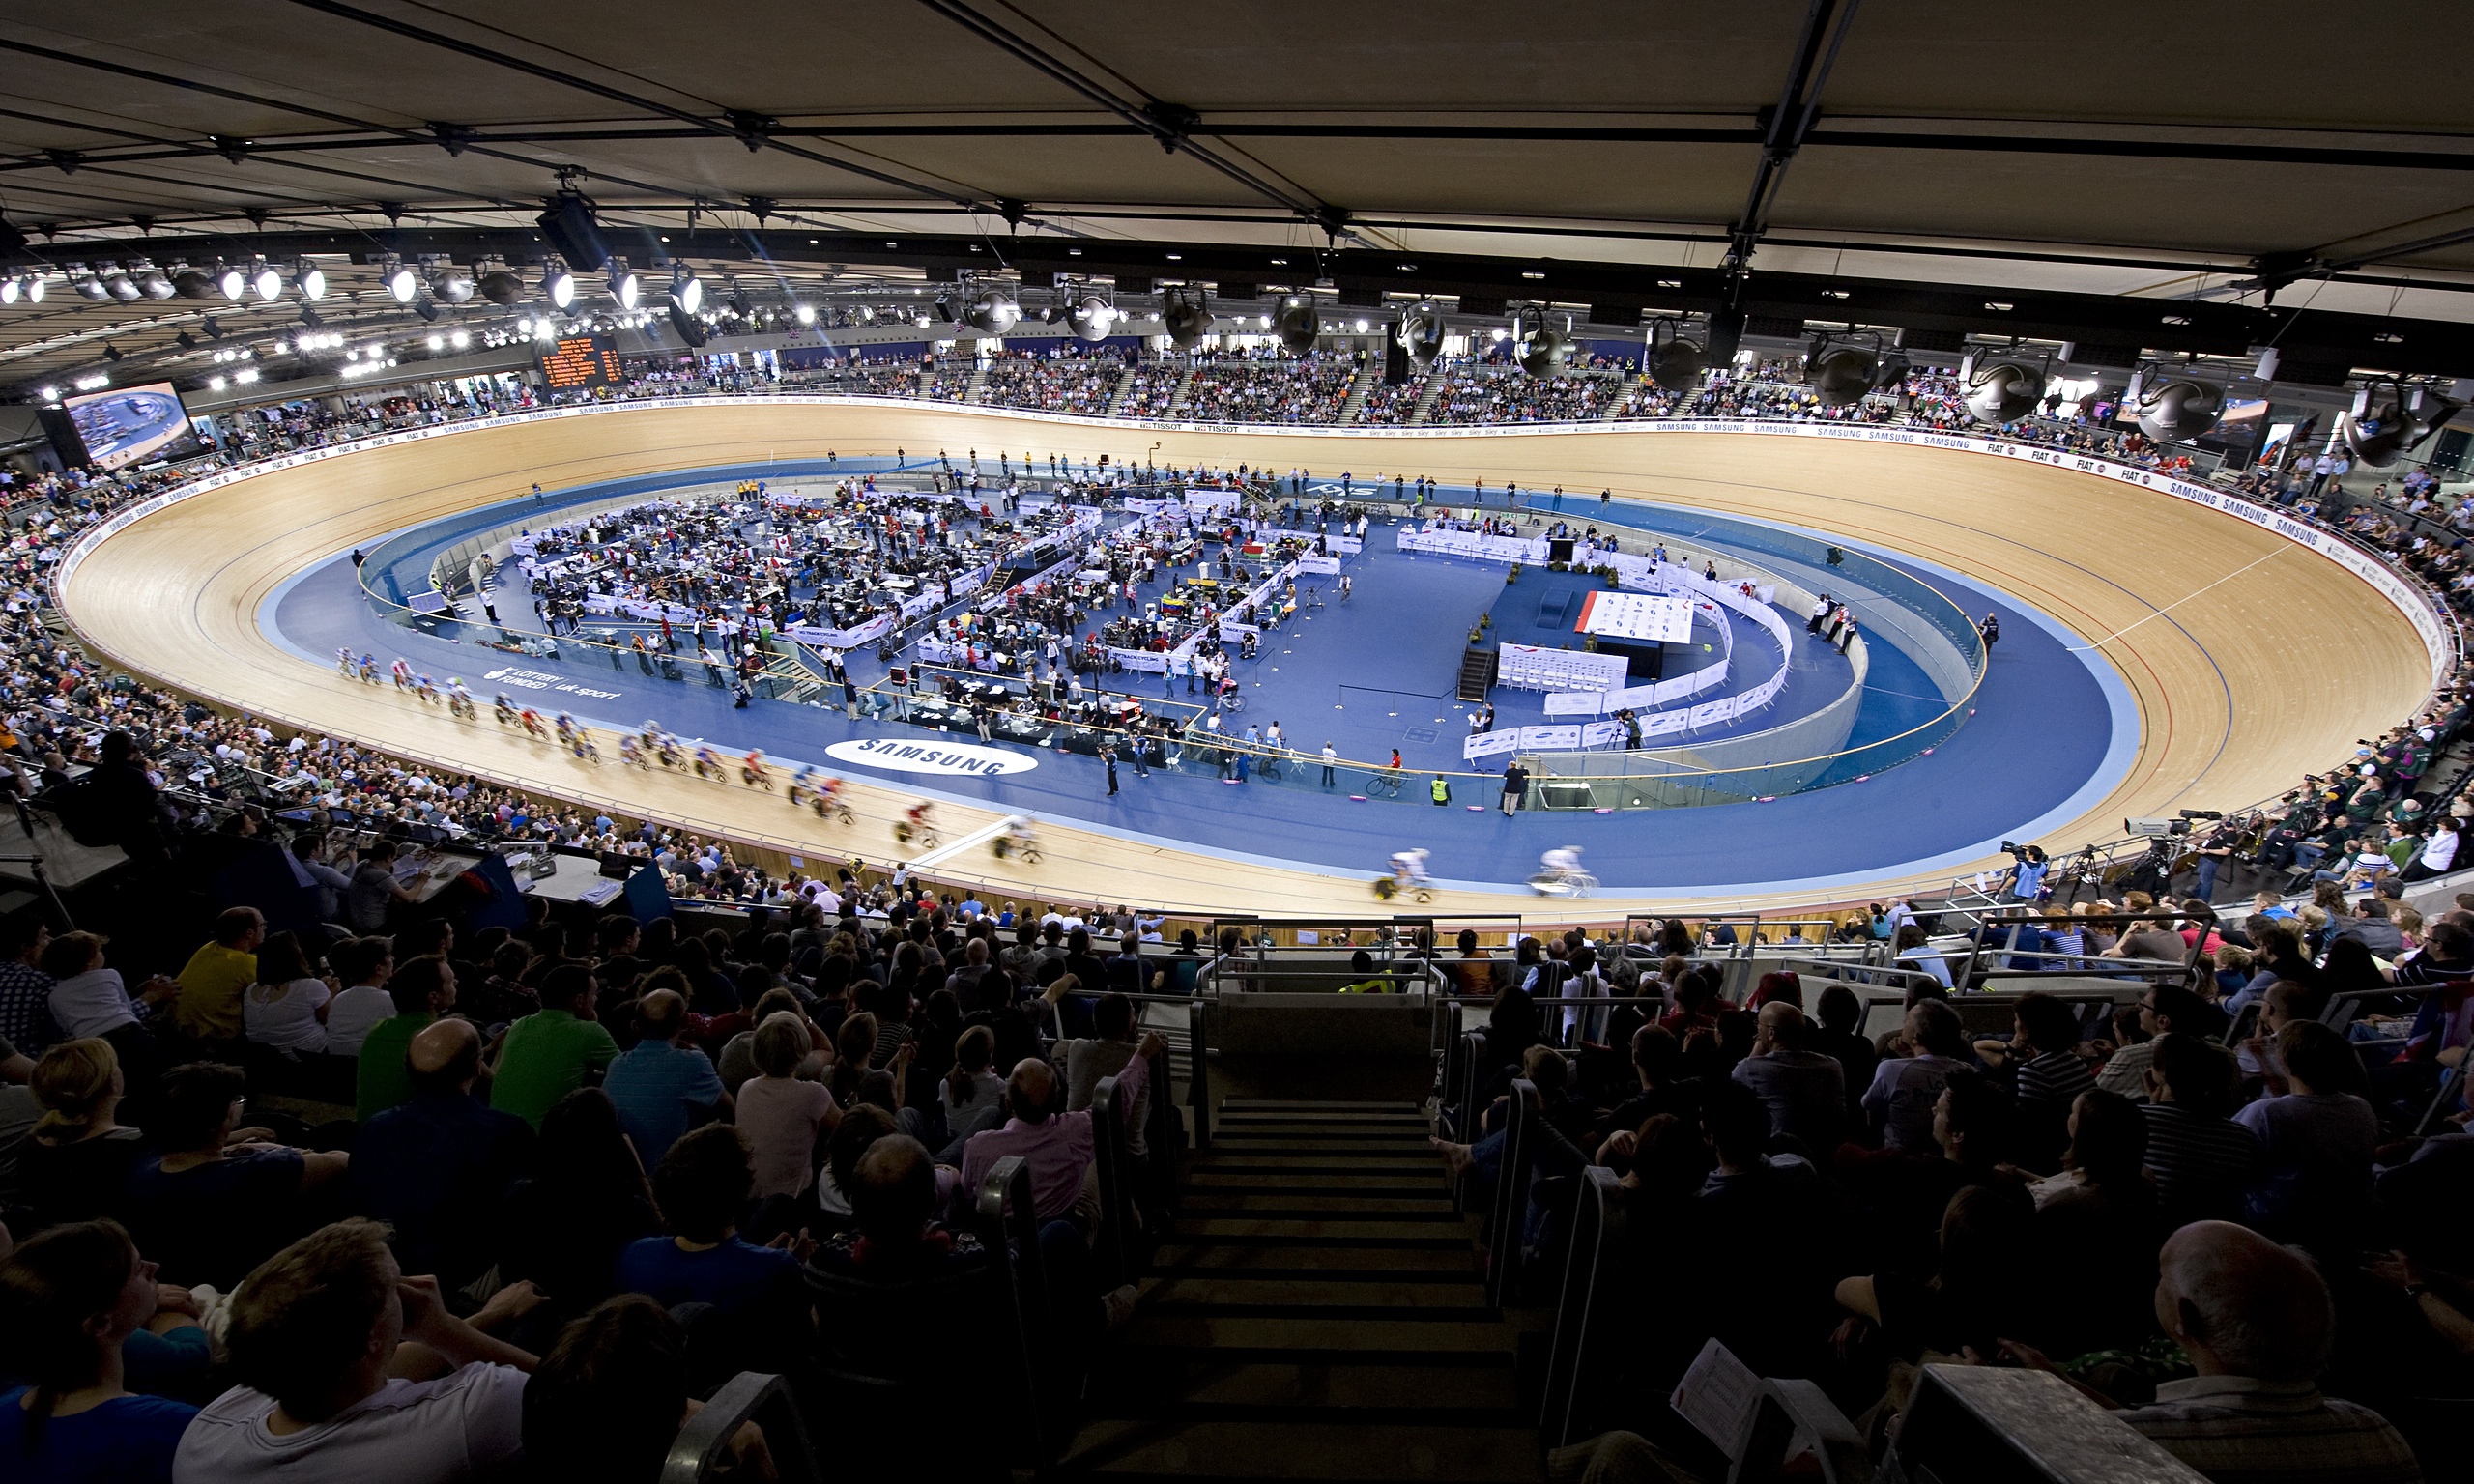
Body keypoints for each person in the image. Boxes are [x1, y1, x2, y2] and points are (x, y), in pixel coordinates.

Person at [175, 1218, 539, 1483]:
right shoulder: (473, 1414)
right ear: (372, 1335)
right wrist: (446, 1328)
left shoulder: (206, 1435)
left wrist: (488, 1317)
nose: (419, 1284)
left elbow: (365, 1374)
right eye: (395, 1283)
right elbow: (573, 1398)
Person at [0, 1219, 199, 1484]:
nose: (155, 1267)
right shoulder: (178, 1428)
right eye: (140, 1271)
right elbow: (192, 1356)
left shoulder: (5, 1408)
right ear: (99, 1324)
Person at [120, 1062, 350, 1289]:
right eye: (236, 1101)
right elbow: (342, 1160)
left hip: (188, 1276)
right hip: (256, 1281)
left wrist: (231, 1143)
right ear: (217, 1121)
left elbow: (191, 1155)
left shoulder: (143, 1167)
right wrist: (282, 1151)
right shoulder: (258, 1172)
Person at [351, 1019, 535, 1292]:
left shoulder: (374, 1128)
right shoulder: (506, 1132)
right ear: (476, 1068)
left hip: (383, 1272)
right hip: (463, 1281)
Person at [601, 988, 728, 1169]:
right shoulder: (692, 1063)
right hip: (670, 1178)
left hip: (625, 1177)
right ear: (685, 1023)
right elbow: (730, 1111)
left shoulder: (616, 1064)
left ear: (635, 1026)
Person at [490, 964, 619, 1128]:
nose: (596, 999)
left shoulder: (520, 1025)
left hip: (497, 1135)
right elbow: (624, 1074)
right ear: (580, 999)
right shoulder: (589, 1032)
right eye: (594, 994)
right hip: (541, 1142)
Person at [735, 1012, 838, 1199]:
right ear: (802, 1050)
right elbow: (846, 1126)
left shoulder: (746, 1088)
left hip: (747, 1197)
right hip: (789, 1202)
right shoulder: (812, 1093)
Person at [1728, 1001, 1845, 1152]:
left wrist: (1753, 1057)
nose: (1756, 1029)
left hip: (1779, 1155)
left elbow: (1729, 1101)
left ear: (1771, 1033)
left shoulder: (1751, 1068)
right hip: (1828, 1153)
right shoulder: (1833, 1065)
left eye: (1758, 1024)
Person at [355, 954, 458, 1123]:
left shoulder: (378, 1030)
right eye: (451, 981)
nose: (456, 983)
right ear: (433, 997)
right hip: (411, 1136)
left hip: (369, 1132)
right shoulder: (437, 1036)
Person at [170, 907, 263, 1046]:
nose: (265, 929)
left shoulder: (208, 948)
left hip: (174, 1029)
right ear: (250, 933)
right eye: (262, 925)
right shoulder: (246, 964)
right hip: (211, 1042)